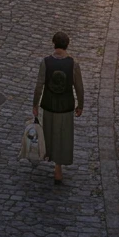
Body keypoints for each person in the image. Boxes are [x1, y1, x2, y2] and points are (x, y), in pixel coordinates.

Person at [32, 31, 84, 184]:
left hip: (49, 105)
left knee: (49, 134)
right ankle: (58, 168)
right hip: (66, 106)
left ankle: (49, 156)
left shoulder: (46, 62)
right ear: (67, 45)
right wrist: (80, 105)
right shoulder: (73, 64)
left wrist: (35, 104)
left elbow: (39, 86)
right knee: (63, 137)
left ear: (53, 44)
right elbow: (79, 88)